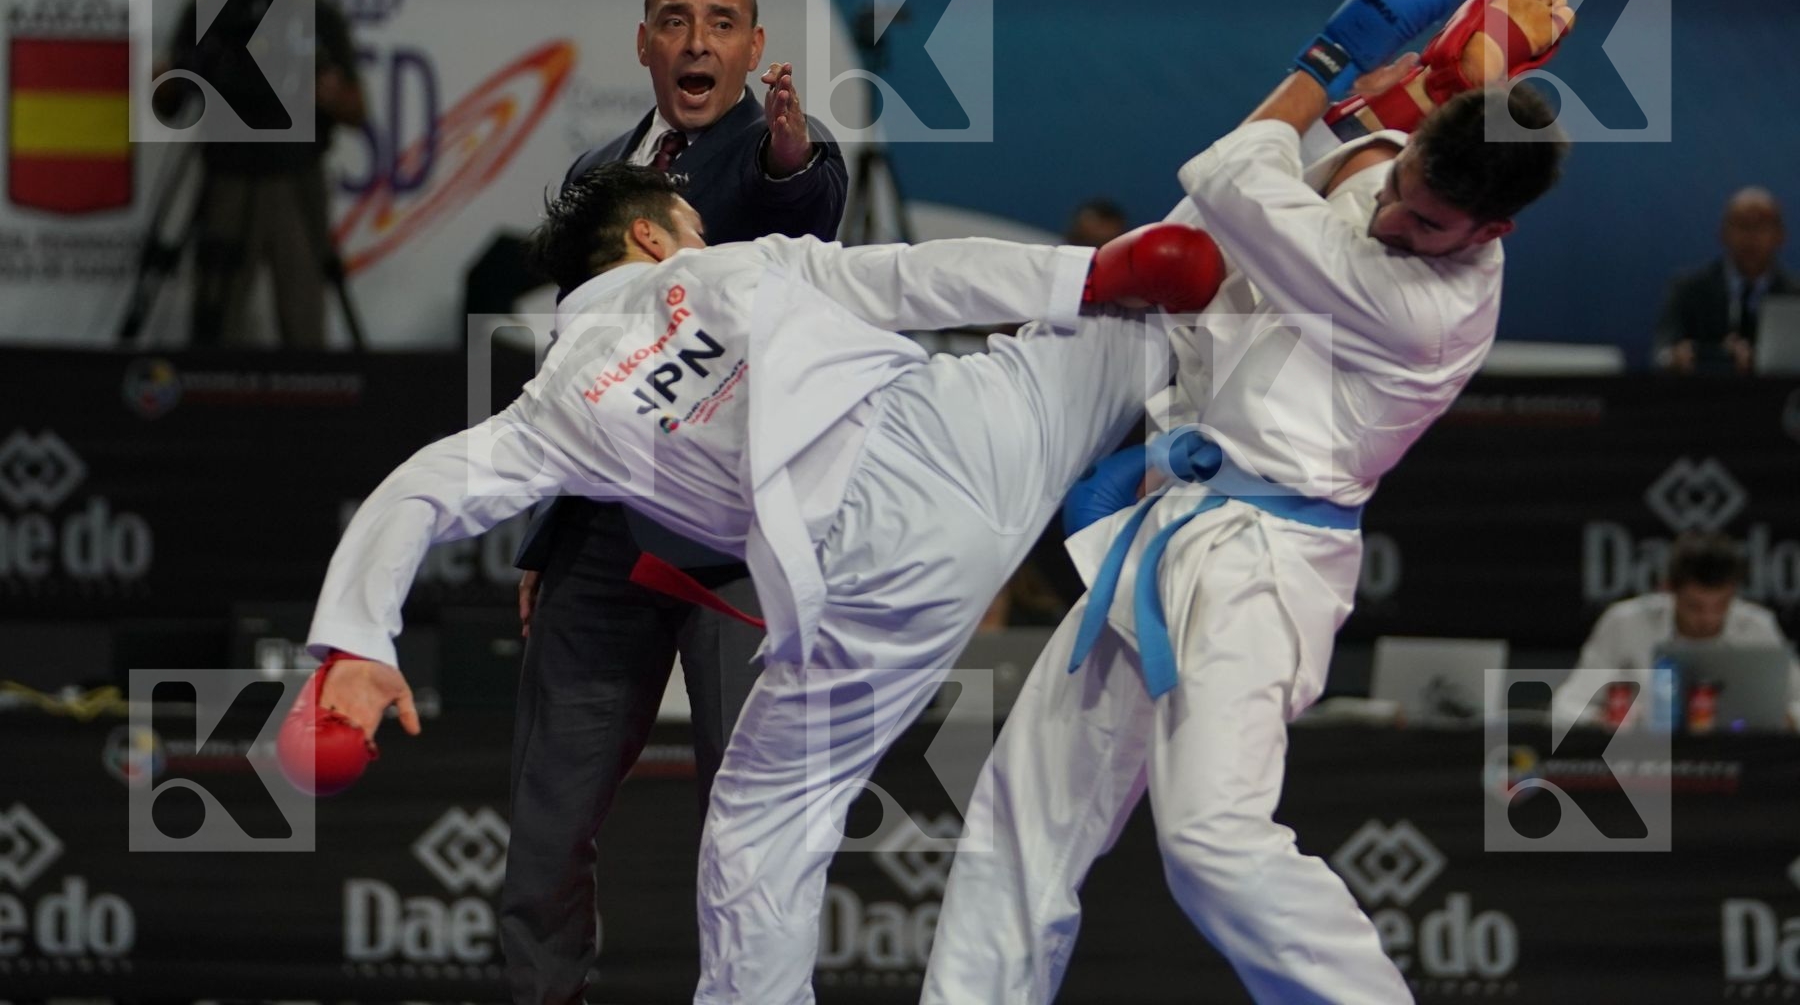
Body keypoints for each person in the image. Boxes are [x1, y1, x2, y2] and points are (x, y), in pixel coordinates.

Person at [297, 159, 1221, 1001]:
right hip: (972, 431)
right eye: (690, 224)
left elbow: (422, 486)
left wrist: (355, 642)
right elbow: (909, 277)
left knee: (760, 838)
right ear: (652, 237)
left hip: (878, 576)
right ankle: (1344, 106)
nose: (700, 236)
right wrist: (1091, 275)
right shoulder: (736, 267)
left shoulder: (555, 410)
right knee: (1183, 270)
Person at [922, 0, 1570, 1004]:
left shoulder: (1427, 305)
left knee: (1215, 843)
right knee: (1021, 816)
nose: (1400, 222)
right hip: (1168, 529)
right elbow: (1291, 179)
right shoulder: (1393, 174)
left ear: (1490, 234)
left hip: (1265, 566)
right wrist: (1415, 100)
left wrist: (1335, 60)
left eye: (1431, 226)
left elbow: (1228, 176)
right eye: (1405, 191)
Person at [502, 0, 844, 1005]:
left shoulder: (772, 155)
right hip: (603, 546)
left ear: (750, 47)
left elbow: (801, 195)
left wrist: (790, 145)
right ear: (646, 42)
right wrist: (547, 536)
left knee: (749, 840)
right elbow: (585, 376)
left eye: (722, 23)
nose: (699, 40)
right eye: (677, 21)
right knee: (544, 840)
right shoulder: (606, 171)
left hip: (735, 554)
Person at [157, 0, 366, 348]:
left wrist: (326, 93)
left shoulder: (316, 14)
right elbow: (167, 103)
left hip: (295, 176)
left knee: (302, 308)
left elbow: (357, 110)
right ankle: (213, 406)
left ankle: (311, 410)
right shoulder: (211, 8)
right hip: (227, 171)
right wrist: (171, 76)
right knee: (217, 311)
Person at [1552, 531, 1800, 730]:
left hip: (1739, 762)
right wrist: (1598, 722)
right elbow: (1565, 707)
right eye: (1695, 606)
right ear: (1669, 590)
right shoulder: (1624, 623)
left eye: (1721, 605)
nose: (1708, 617)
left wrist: (1789, 719)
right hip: (1643, 761)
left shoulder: (1758, 627)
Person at [1654, 187, 1797, 374]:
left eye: (1761, 226)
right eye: (1741, 225)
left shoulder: (1795, 295)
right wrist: (1675, 357)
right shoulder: (1689, 289)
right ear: (1723, 233)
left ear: (1780, 235)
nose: (1750, 236)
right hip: (1702, 396)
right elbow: (1662, 350)